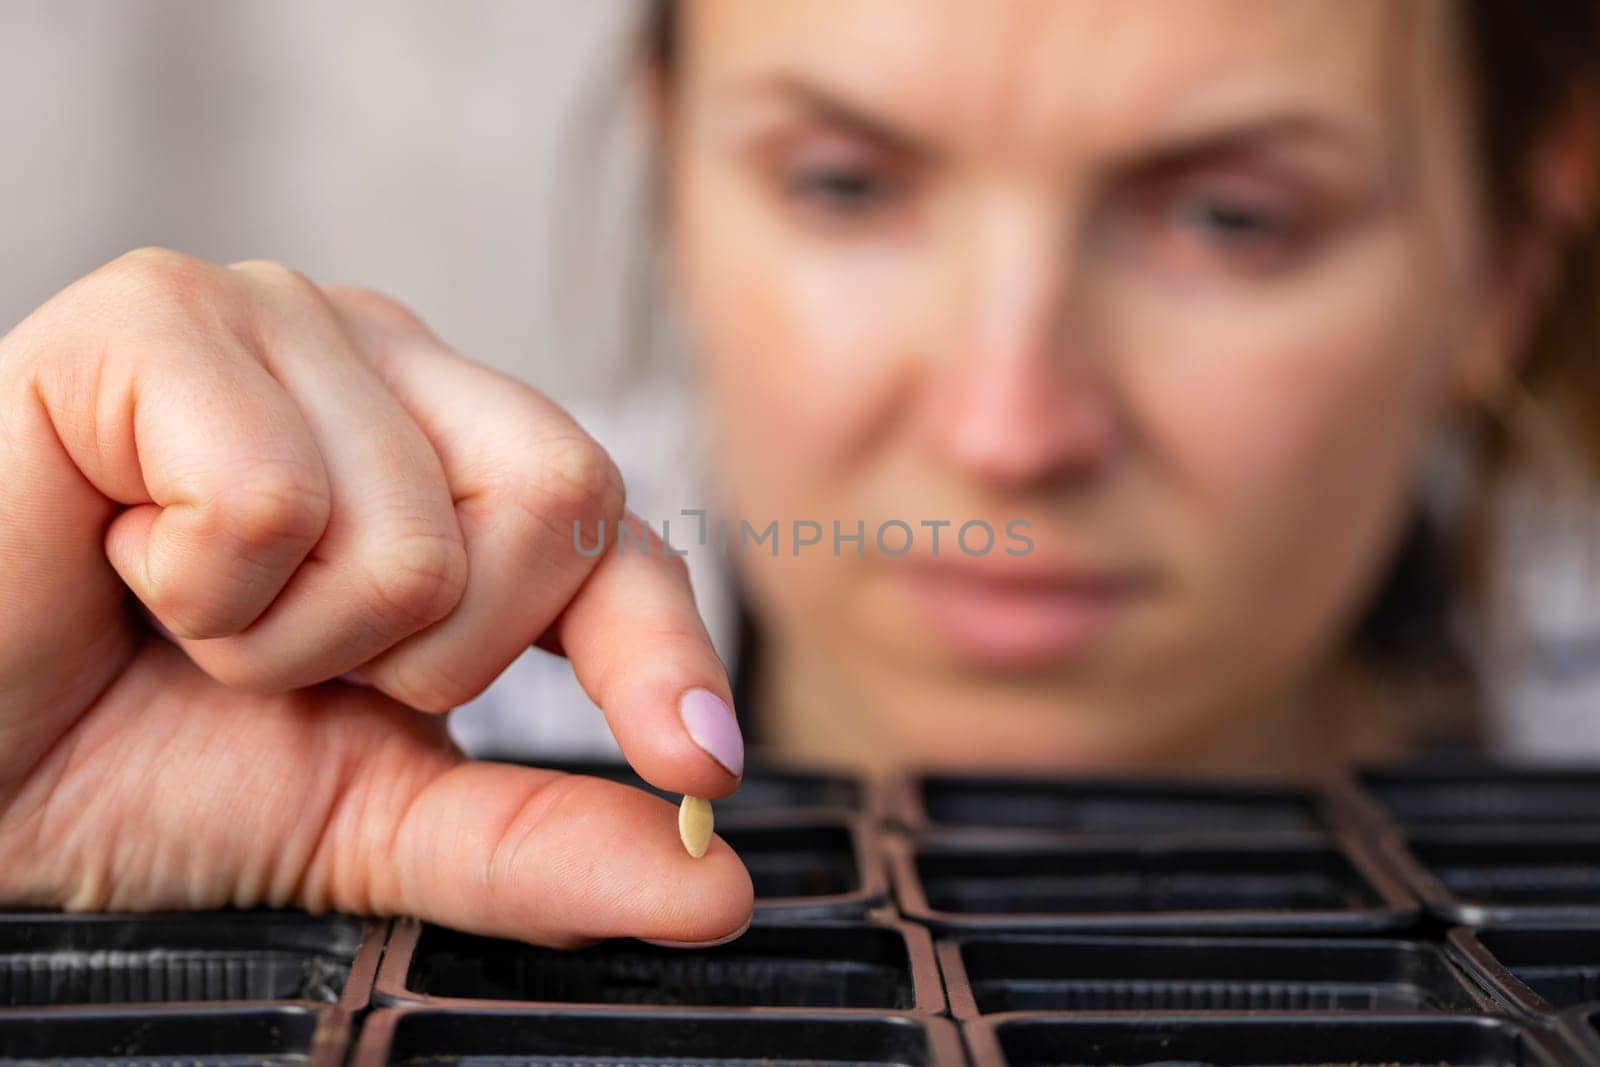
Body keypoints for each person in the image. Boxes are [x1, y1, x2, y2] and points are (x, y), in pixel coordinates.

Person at [0, 0, 1595, 952]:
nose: (1008, 426)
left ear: (1512, 257)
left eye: (1232, 219)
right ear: (677, 183)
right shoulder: (310, 677)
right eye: (844, 183)